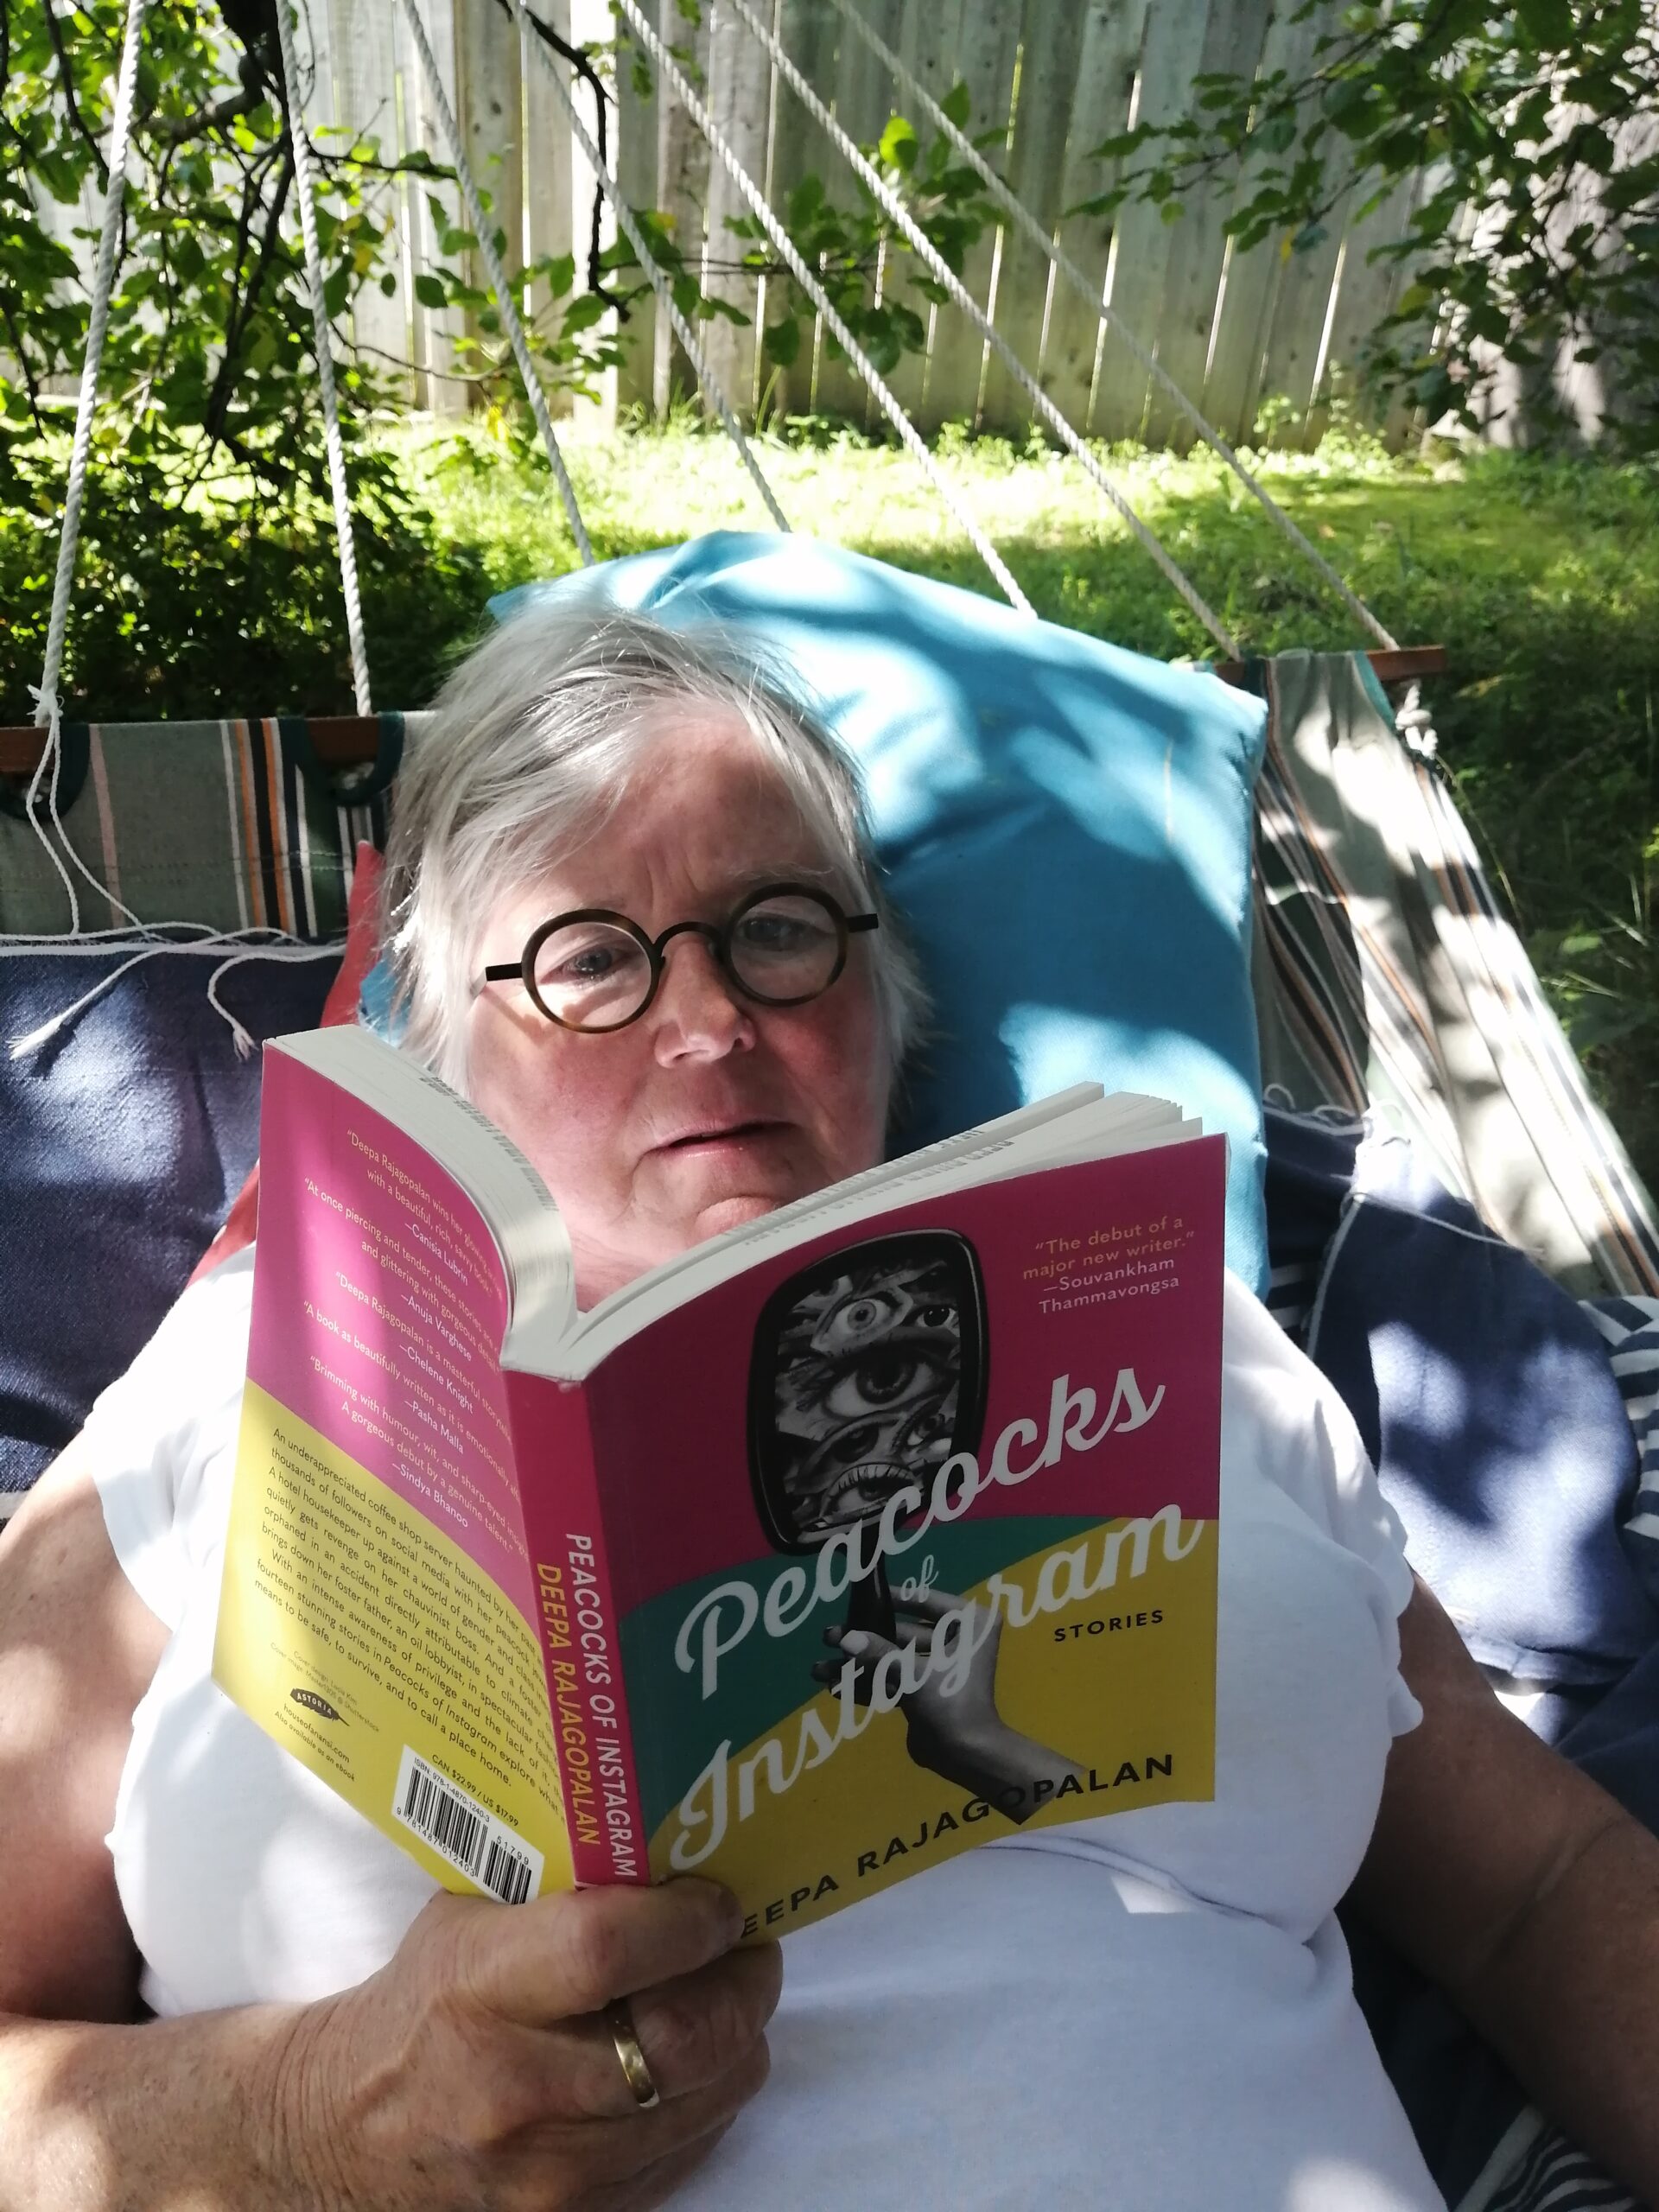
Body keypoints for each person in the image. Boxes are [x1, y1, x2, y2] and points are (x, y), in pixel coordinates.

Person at [3, 602, 1658, 2212]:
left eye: (781, 930)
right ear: (448, 1049)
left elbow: (1539, 1895)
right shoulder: (246, 1381)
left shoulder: (1162, 1335)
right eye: (591, 960)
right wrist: (312, 2129)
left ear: (884, 998)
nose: (713, 1023)